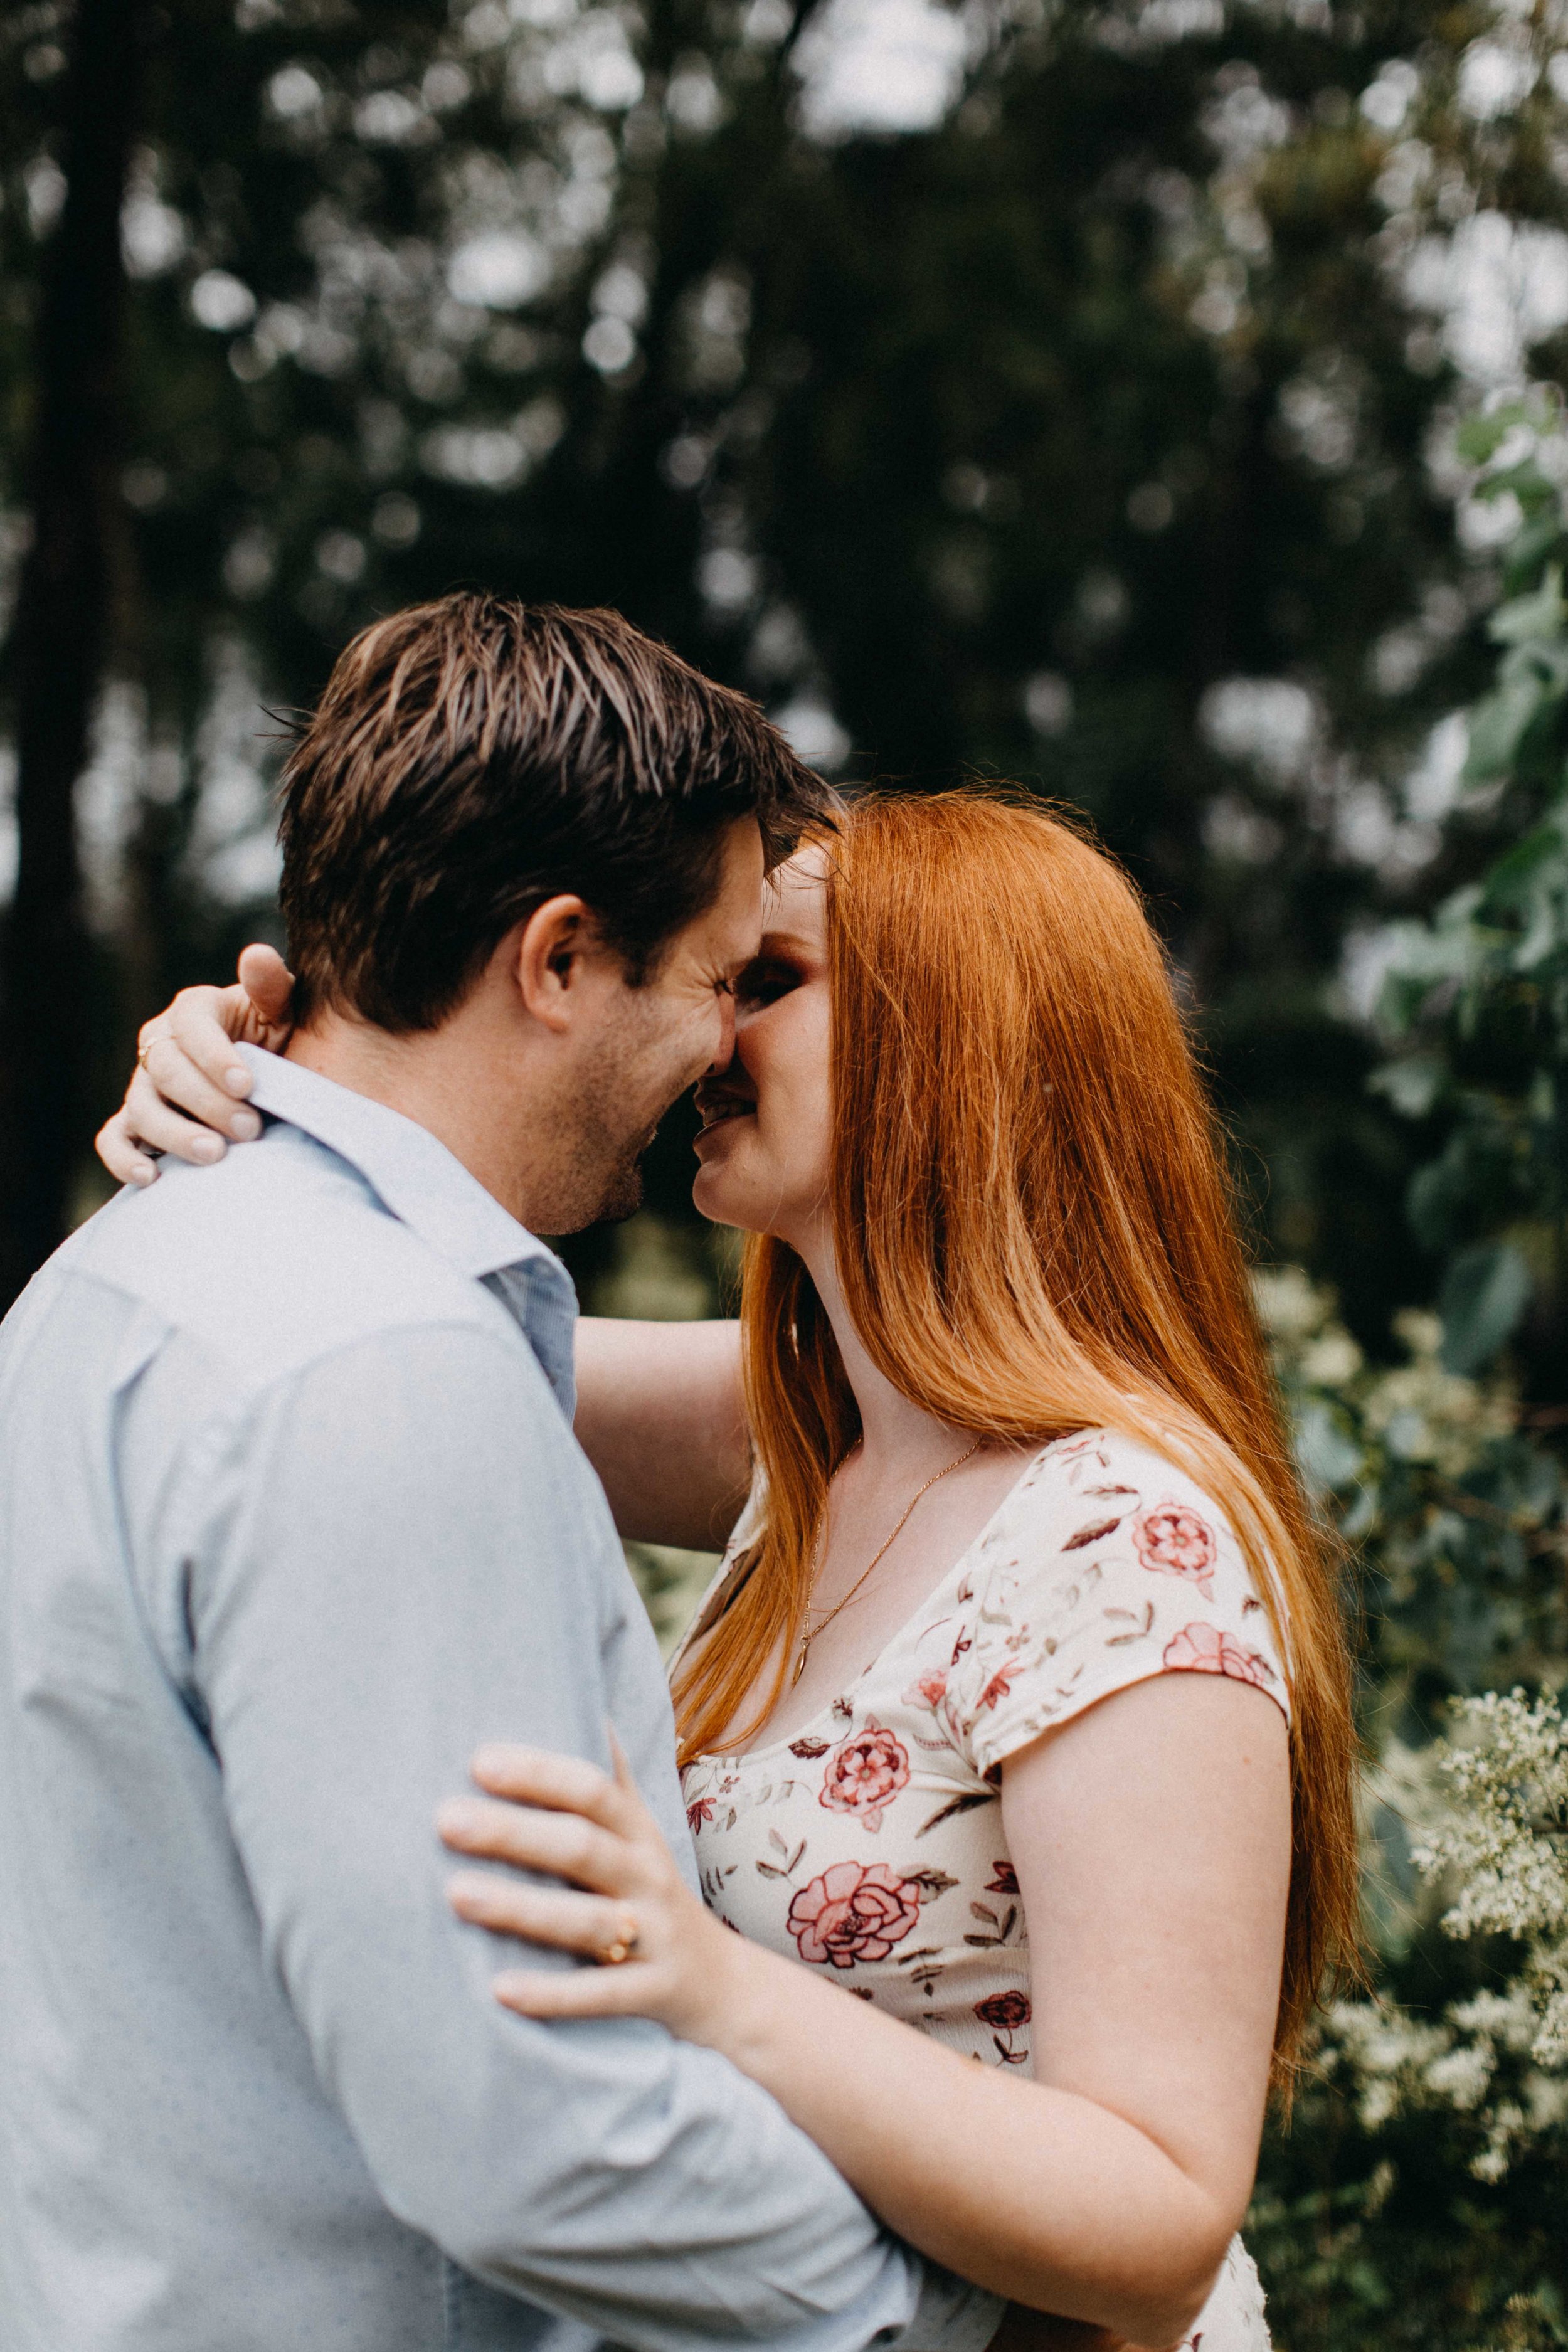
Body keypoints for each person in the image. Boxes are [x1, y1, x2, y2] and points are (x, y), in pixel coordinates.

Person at [102, 788, 1363, 2352]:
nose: (702, 1028)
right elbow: (394, 1336)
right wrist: (279, 1079)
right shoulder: (806, 1445)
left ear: (949, 1043)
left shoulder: (1117, 1538)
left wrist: (708, 1985)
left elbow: (1164, 2218)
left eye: (763, 982)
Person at [4, 595, 1016, 2352]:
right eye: (714, 978)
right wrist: (930, 2318)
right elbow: (529, 2124)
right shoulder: (385, 1363)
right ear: (555, 958)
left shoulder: (106, 1287)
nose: (719, 1046)